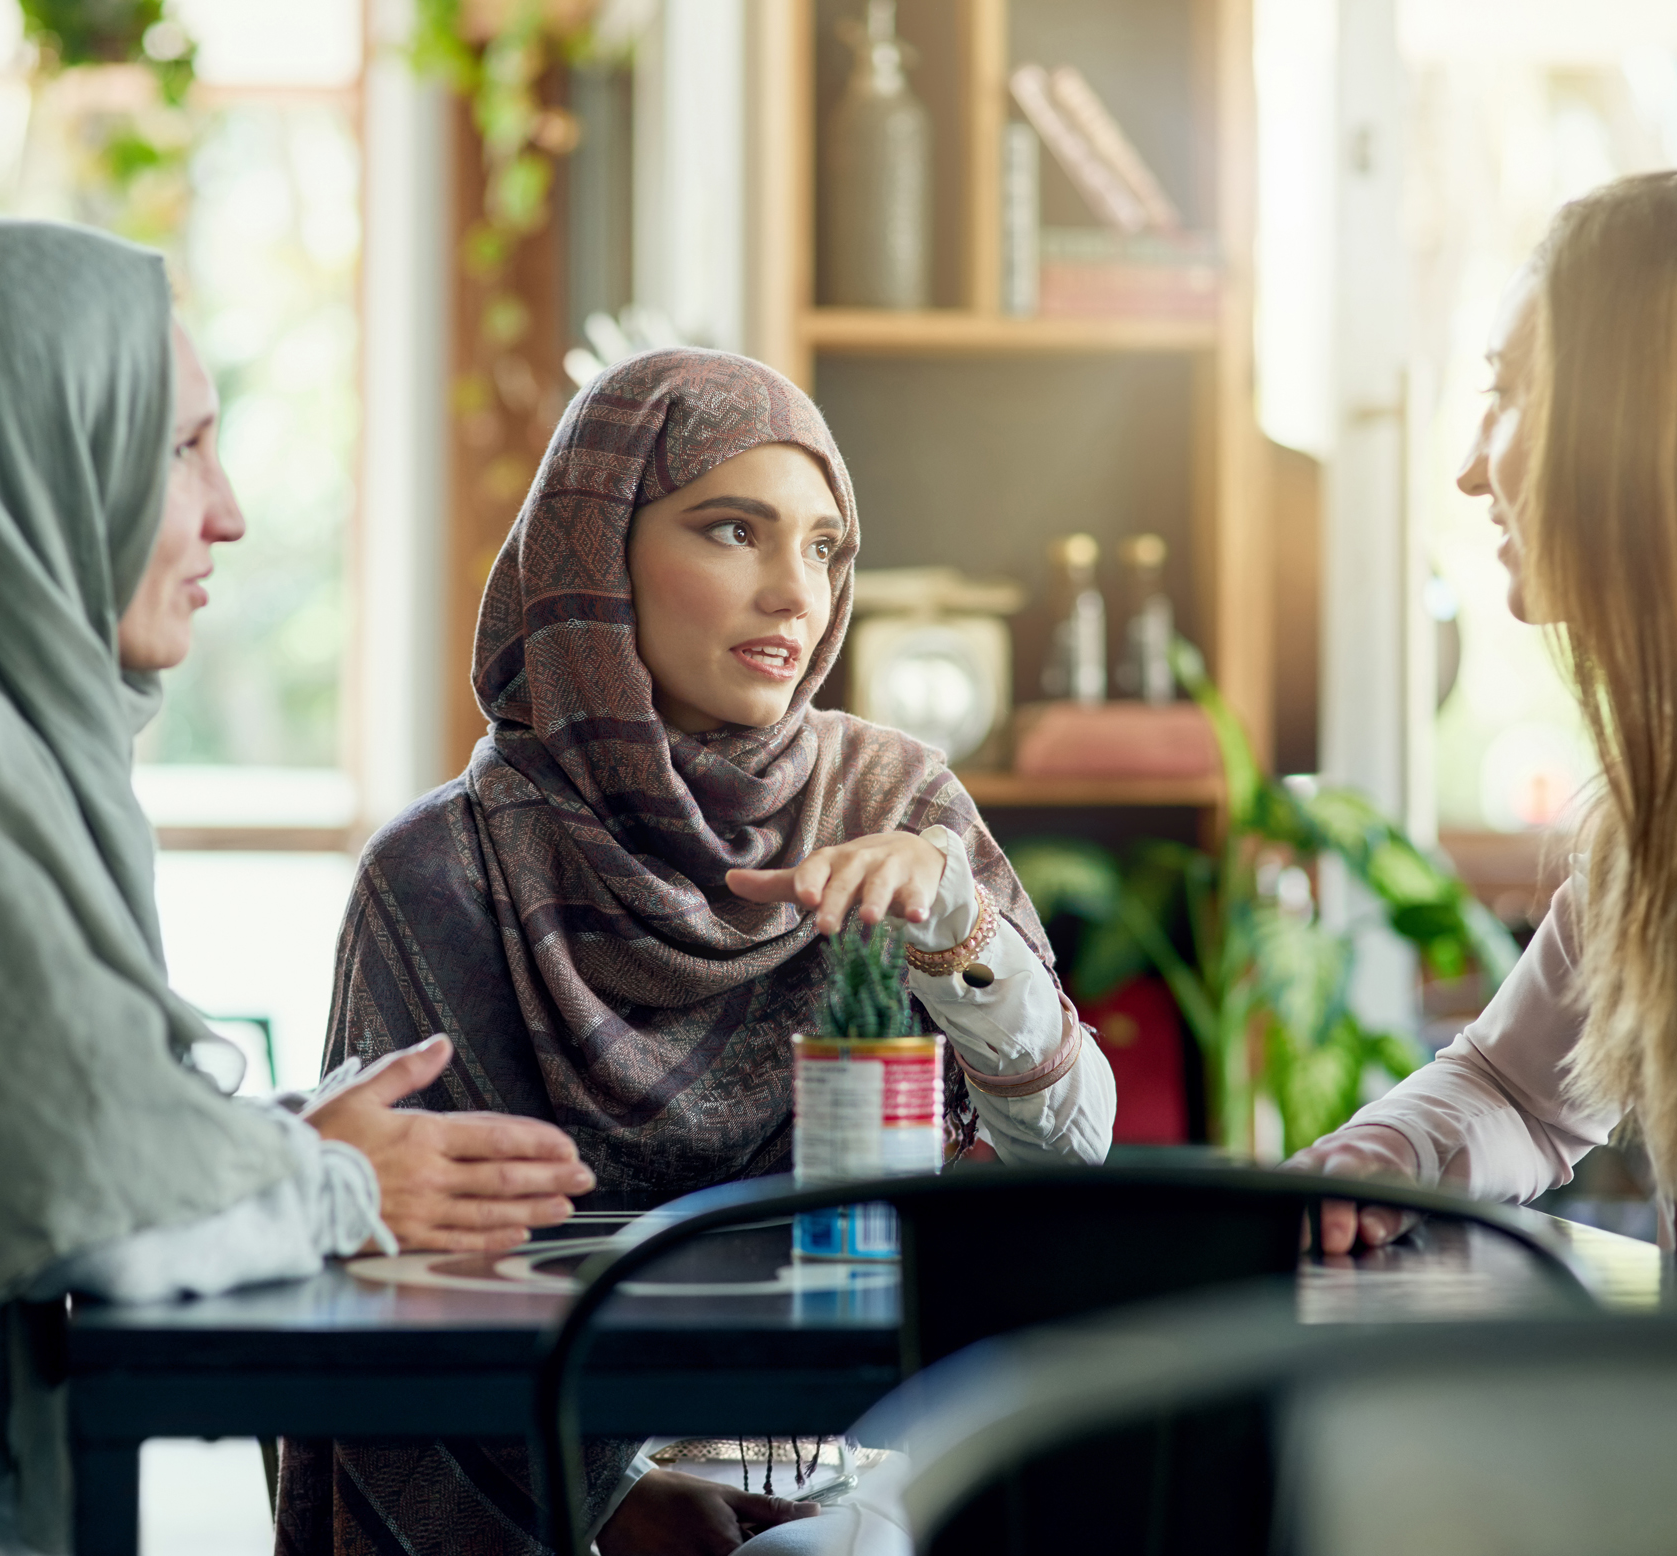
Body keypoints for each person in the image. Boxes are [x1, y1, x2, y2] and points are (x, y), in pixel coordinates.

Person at [0, 218, 591, 1555]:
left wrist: (294, 1144)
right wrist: (335, 1182)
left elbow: (50, 1132)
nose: (228, 511)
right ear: (22, 458)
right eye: (181, 446)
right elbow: (106, 1217)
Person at [276, 348, 1116, 1556]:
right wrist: (613, 1502)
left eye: (825, 546)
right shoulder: (442, 872)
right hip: (557, 1509)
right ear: (595, 552)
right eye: (734, 531)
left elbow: (1071, 1152)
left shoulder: (895, 803)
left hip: (895, 1469)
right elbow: (390, 1298)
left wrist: (956, 928)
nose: (796, 593)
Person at [1289, 171, 1677, 1303]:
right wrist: (1384, 1154)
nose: (1471, 467)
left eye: (1507, 396)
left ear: (1649, 423)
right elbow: (1516, 1089)